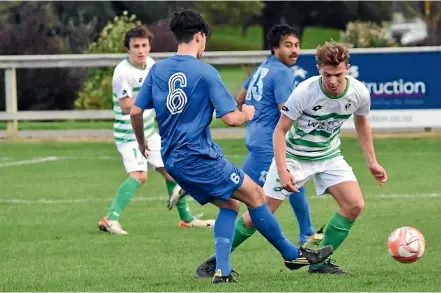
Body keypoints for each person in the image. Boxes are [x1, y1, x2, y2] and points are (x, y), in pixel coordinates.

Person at [131, 10, 333, 283]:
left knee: (230, 205)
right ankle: (291, 254)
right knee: (256, 196)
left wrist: (143, 141)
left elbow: (134, 111)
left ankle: (222, 273)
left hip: (173, 159)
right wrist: (248, 113)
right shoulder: (205, 72)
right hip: (200, 157)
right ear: (200, 36)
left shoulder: (157, 69)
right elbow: (230, 119)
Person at [194, 24, 324, 279]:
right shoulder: (282, 73)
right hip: (268, 144)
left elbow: (240, 97)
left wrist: (252, 118)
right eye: (288, 45)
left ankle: (305, 231)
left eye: (297, 45)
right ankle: (219, 261)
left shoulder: (262, 68)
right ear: (275, 48)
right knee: (262, 204)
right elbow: (288, 109)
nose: (294, 50)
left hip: (256, 138)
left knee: (241, 196)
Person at [265, 41, 388, 274]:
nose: (332, 80)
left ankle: (319, 263)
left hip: (329, 154)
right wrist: (283, 170)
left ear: (347, 69)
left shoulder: (359, 92)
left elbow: (362, 122)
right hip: (295, 155)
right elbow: (279, 130)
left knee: (354, 205)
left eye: (338, 74)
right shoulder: (305, 91)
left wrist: (372, 161)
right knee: (260, 213)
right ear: (319, 69)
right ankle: (217, 261)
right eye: (327, 74)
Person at [98, 24, 214, 235]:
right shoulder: (122, 72)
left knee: (173, 172)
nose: (140, 50)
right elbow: (126, 106)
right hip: (130, 134)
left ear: (149, 46)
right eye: (136, 46)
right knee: (140, 175)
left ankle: (186, 219)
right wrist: (152, 97)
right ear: (128, 49)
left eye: (144, 45)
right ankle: (110, 218)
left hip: (149, 132)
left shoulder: (151, 65)